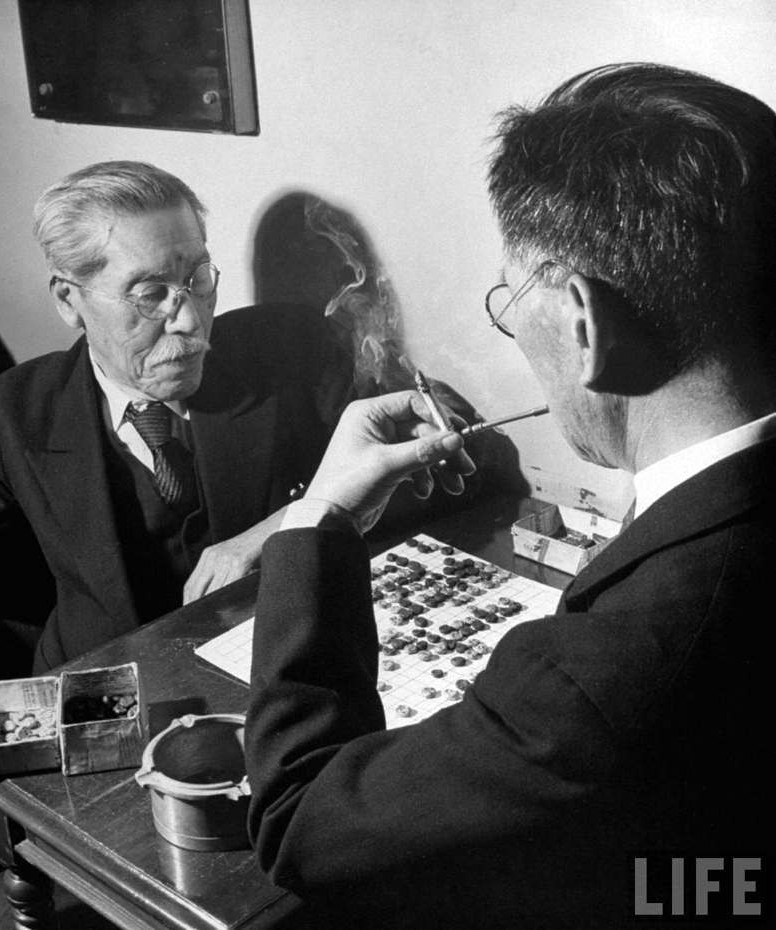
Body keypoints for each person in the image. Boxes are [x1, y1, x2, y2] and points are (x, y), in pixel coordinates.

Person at [243, 63, 776, 929]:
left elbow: (301, 824)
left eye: (513, 296)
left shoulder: (598, 676)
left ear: (582, 323)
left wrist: (318, 521)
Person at [0, 161, 350, 927]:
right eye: (150, 292)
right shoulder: (19, 412)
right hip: (89, 738)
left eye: (198, 278)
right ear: (69, 300)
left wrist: (280, 527)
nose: (189, 320)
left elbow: (425, 461)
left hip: (269, 716)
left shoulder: (290, 349)